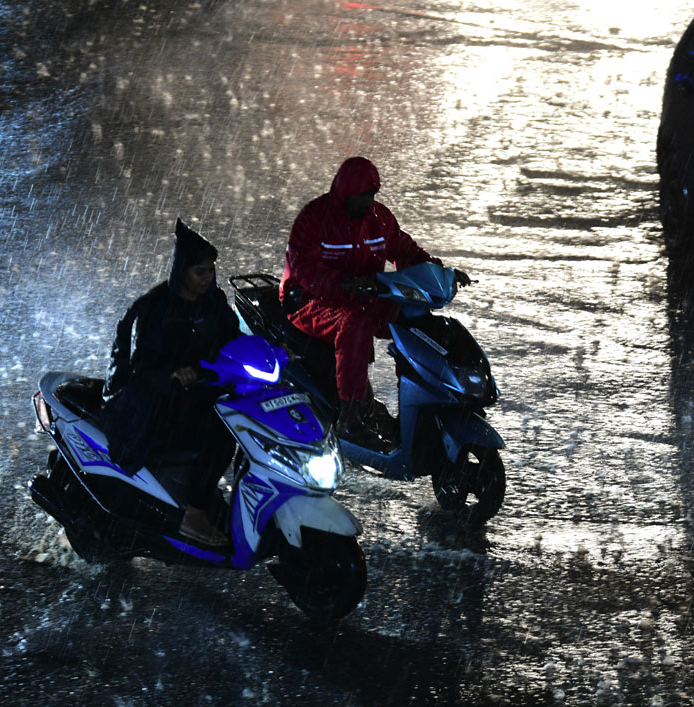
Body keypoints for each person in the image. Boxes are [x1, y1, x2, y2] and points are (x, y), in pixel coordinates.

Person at [280, 156, 470, 446]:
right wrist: (343, 285)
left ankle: (420, 408)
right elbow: (304, 269)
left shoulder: (379, 219)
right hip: (308, 302)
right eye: (362, 195)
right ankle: (351, 417)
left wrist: (441, 274)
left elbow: (407, 252)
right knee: (355, 324)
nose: (368, 201)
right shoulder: (313, 218)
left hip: (365, 296)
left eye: (372, 194)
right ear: (345, 192)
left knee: (416, 321)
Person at [101, 219, 240, 547]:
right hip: (143, 403)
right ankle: (193, 514)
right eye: (200, 272)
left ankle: (205, 493)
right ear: (182, 272)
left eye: (210, 271)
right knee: (221, 428)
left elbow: (234, 337)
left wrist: (273, 353)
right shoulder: (154, 310)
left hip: (191, 389)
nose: (208, 279)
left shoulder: (214, 304)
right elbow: (139, 368)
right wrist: (172, 375)